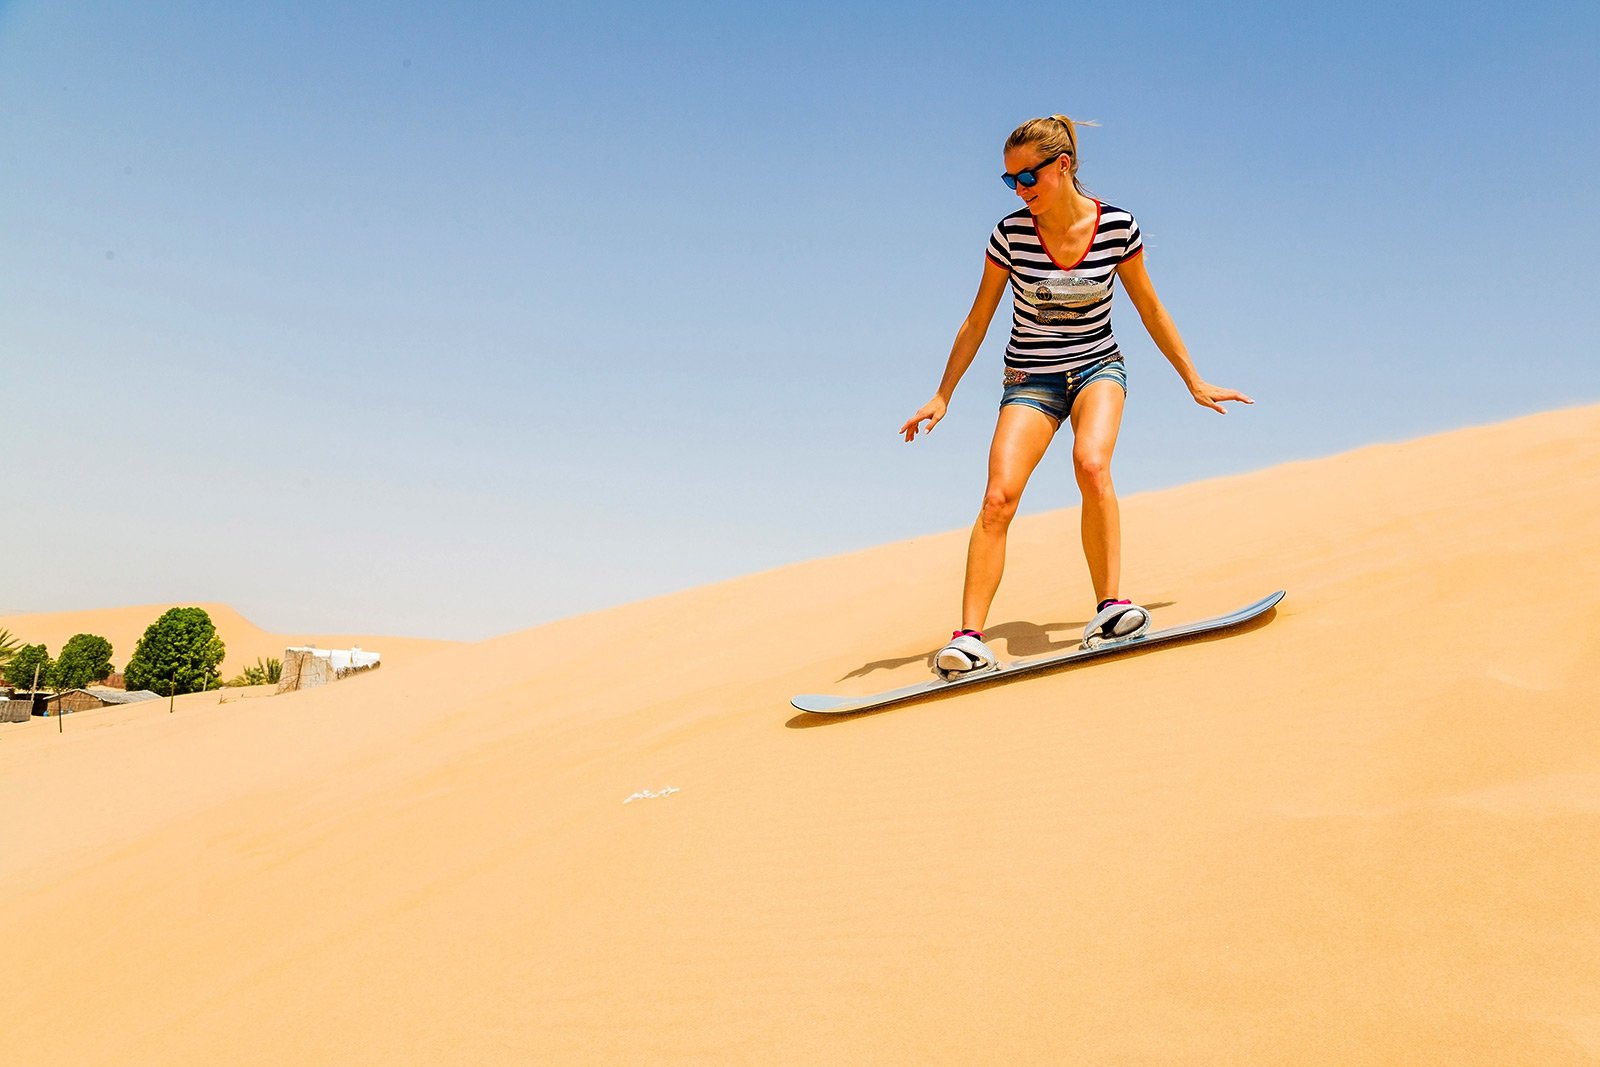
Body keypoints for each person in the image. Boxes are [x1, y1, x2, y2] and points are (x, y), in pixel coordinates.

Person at [899, 114, 1252, 679]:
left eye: (1028, 177)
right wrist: (943, 394)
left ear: (1062, 167)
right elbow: (977, 320)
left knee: (1091, 464)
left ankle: (1111, 608)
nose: (1020, 190)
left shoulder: (1116, 228)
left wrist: (1194, 379)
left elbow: (1150, 309)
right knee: (998, 498)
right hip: (1030, 379)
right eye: (1010, 181)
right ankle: (967, 639)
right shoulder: (1009, 236)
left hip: (1097, 368)